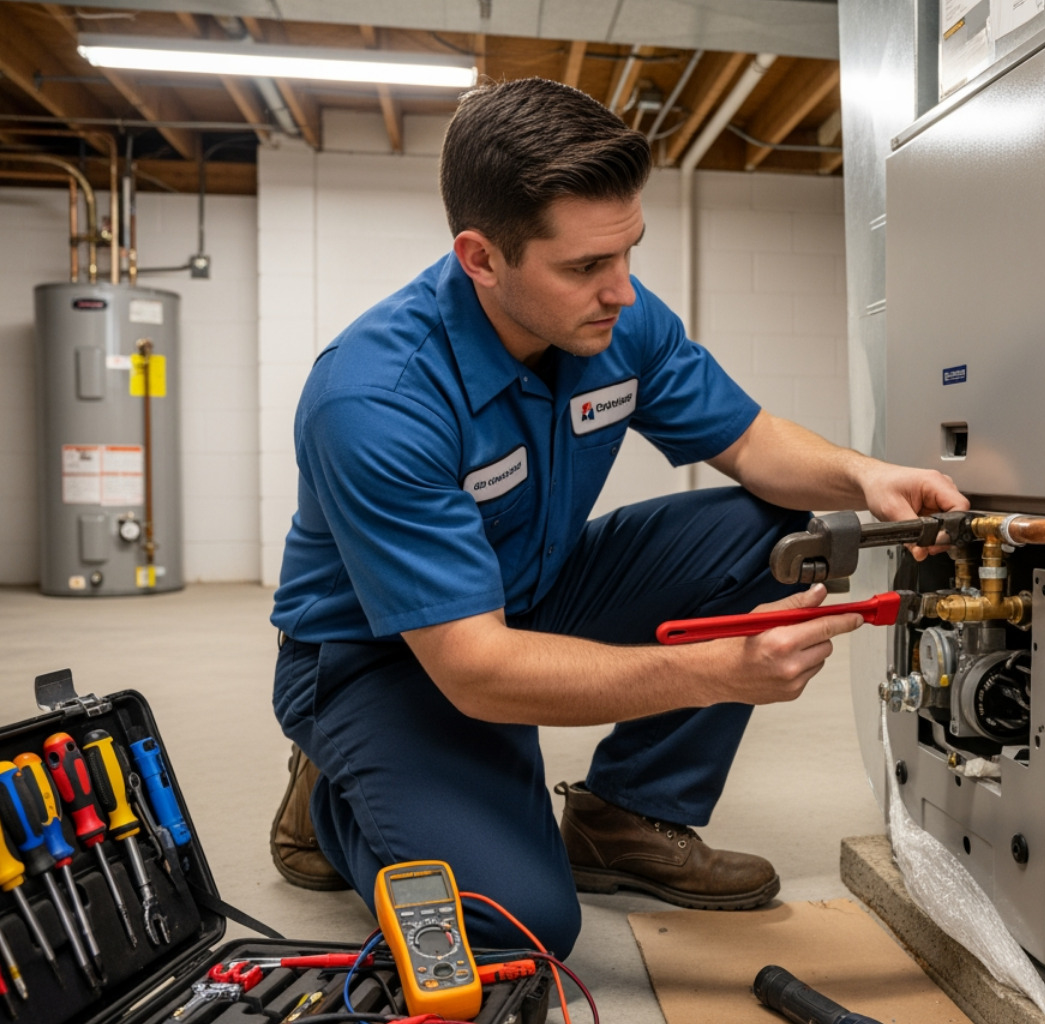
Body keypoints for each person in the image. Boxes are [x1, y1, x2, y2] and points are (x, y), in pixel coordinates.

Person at [268, 77, 966, 958]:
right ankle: (335, 787)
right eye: (586, 267)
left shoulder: (613, 324)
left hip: (533, 591)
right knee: (518, 927)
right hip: (387, 656)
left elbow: (753, 443)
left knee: (774, 527)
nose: (623, 292)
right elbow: (477, 671)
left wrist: (868, 477)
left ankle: (628, 815)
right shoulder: (376, 399)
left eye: (629, 251)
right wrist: (715, 671)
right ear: (481, 258)